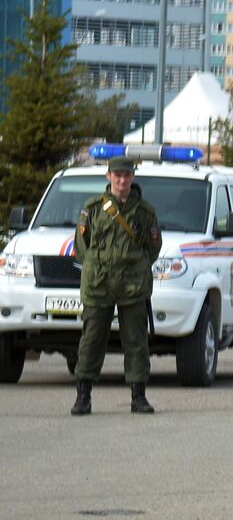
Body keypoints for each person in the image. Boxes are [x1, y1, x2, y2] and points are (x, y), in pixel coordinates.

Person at [71, 155, 162, 416]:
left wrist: (133, 266)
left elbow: (153, 247)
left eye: (127, 176)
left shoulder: (145, 212)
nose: (122, 180)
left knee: (136, 341)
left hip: (132, 285)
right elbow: (81, 247)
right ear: (108, 176)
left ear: (132, 177)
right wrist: (99, 266)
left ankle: (138, 396)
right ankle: (83, 396)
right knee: (91, 340)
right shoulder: (93, 208)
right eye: (117, 175)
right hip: (98, 283)